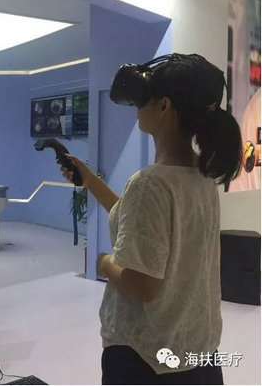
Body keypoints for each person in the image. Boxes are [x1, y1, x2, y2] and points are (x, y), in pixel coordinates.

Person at [61, 54, 242, 384]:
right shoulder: (201, 176)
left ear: (163, 106)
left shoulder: (151, 184)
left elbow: (143, 285)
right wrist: (90, 181)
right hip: (197, 353)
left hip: (146, 361)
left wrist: (104, 263)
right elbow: (139, 225)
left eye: (144, 99)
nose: (137, 108)